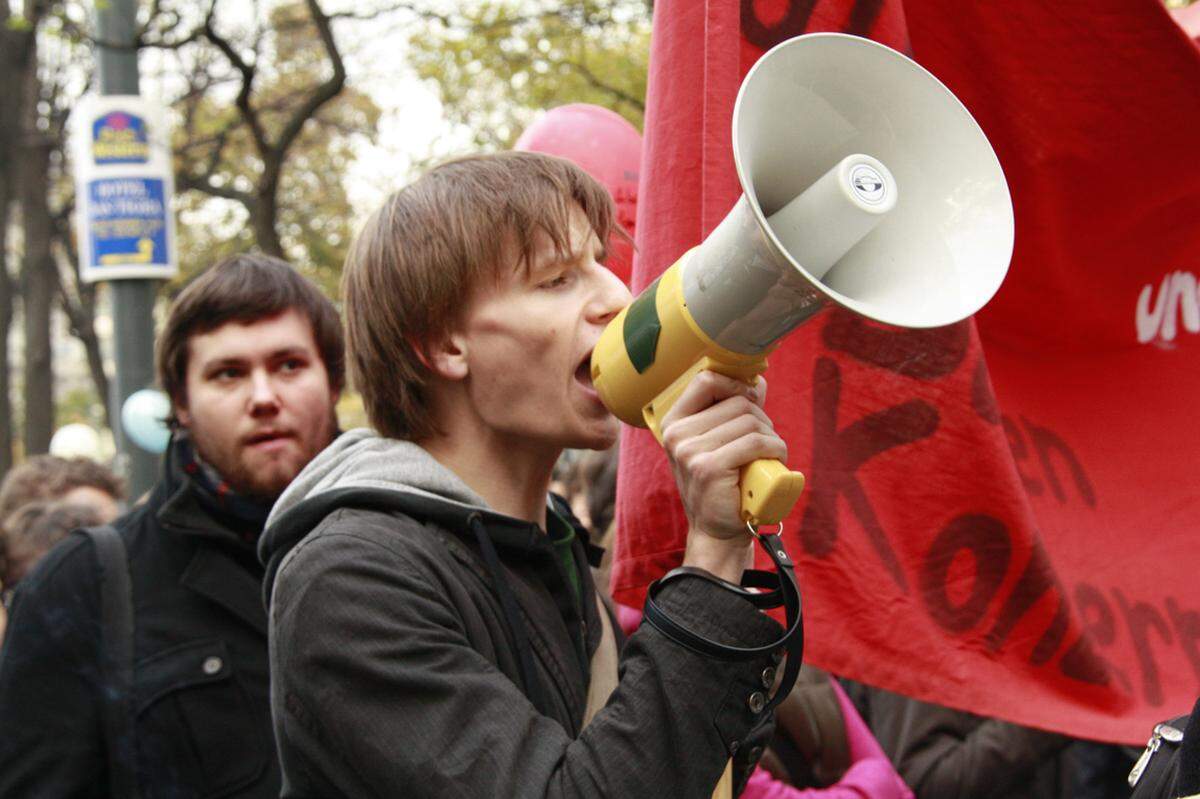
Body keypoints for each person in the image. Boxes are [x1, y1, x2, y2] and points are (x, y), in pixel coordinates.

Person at [259, 151, 796, 797]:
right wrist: (708, 565)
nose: (616, 296)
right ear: (442, 343)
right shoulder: (348, 581)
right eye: (557, 280)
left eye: (599, 262)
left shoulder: (556, 550)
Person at [0, 253, 344, 798]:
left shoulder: (405, 549)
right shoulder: (86, 584)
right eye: (228, 373)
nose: (263, 398)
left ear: (332, 380)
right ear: (181, 401)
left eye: (288, 365)